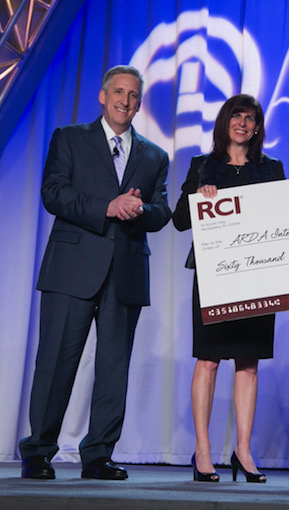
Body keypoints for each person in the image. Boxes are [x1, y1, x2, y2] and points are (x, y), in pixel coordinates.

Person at [19, 65, 172, 480]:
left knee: (113, 368)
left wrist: (139, 209)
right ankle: (38, 451)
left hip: (125, 273)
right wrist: (108, 207)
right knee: (55, 363)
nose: (125, 100)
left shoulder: (155, 156)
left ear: (140, 104)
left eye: (134, 95)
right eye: (119, 92)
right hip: (72, 269)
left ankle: (98, 455)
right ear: (103, 96)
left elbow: (162, 212)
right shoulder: (69, 138)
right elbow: (54, 193)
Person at [173, 94, 285, 483]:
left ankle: (243, 451)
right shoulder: (203, 167)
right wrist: (197, 197)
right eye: (236, 116)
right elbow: (179, 221)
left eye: (249, 118)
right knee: (208, 360)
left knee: (248, 365)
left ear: (257, 127)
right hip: (214, 278)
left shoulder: (272, 170)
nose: (242, 123)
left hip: (258, 277)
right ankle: (203, 451)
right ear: (224, 123)